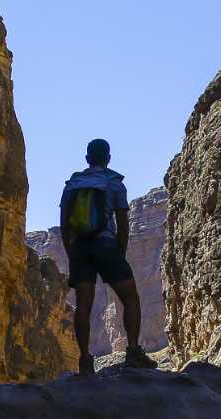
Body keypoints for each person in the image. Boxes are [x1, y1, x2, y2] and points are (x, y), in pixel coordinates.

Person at [59, 138, 158, 378]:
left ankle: (84, 360)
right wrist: (119, 252)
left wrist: (71, 252)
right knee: (130, 296)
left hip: (80, 248)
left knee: (83, 305)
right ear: (108, 158)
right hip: (106, 245)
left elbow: (64, 224)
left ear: (87, 159)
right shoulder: (114, 182)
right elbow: (123, 224)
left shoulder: (72, 184)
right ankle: (133, 351)